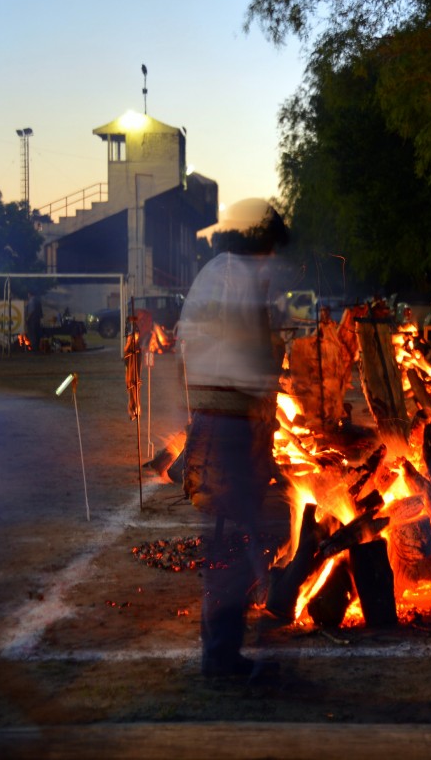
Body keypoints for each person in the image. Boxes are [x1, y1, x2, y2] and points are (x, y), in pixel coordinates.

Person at [178, 209, 288, 681]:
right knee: (235, 541)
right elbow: (247, 359)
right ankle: (221, 659)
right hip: (227, 422)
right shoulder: (238, 279)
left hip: (213, 417)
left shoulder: (212, 272)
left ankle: (221, 652)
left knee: (230, 537)